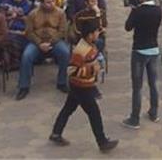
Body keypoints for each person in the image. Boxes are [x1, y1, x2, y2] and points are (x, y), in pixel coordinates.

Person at [49, 21, 119, 153]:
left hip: (81, 85)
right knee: (94, 114)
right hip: (81, 86)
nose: (98, 33)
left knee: (68, 109)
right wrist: (92, 70)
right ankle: (102, 142)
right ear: (90, 35)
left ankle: (56, 133)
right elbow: (71, 70)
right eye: (96, 32)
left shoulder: (90, 45)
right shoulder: (81, 50)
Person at [122, 0, 161, 129]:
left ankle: (134, 118)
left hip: (139, 50)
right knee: (153, 84)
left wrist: (133, 10)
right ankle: (154, 112)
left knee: (137, 87)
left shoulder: (138, 11)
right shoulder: (158, 10)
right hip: (154, 49)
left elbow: (128, 27)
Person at [16, 0, 70, 99]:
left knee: (65, 52)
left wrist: (50, 42)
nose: (51, 4)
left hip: (54, 41)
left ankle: (62, 82)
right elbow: (29, 32)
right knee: (26, 56)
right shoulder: (33, 14)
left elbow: (62, 31)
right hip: (36, 42)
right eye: (48, 2)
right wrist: (40, 43)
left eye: (53, 1)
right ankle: (24, 87)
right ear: (42, 3)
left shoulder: (60, 13)